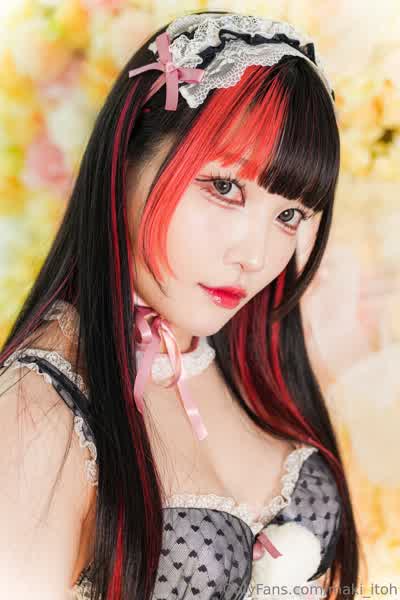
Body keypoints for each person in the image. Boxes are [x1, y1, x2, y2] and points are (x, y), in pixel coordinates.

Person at [0, 10, 360, 600]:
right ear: (125, 160)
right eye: (225, 187)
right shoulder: (33, 413)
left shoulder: (249, 362)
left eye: (289, 215)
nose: (256, 256)